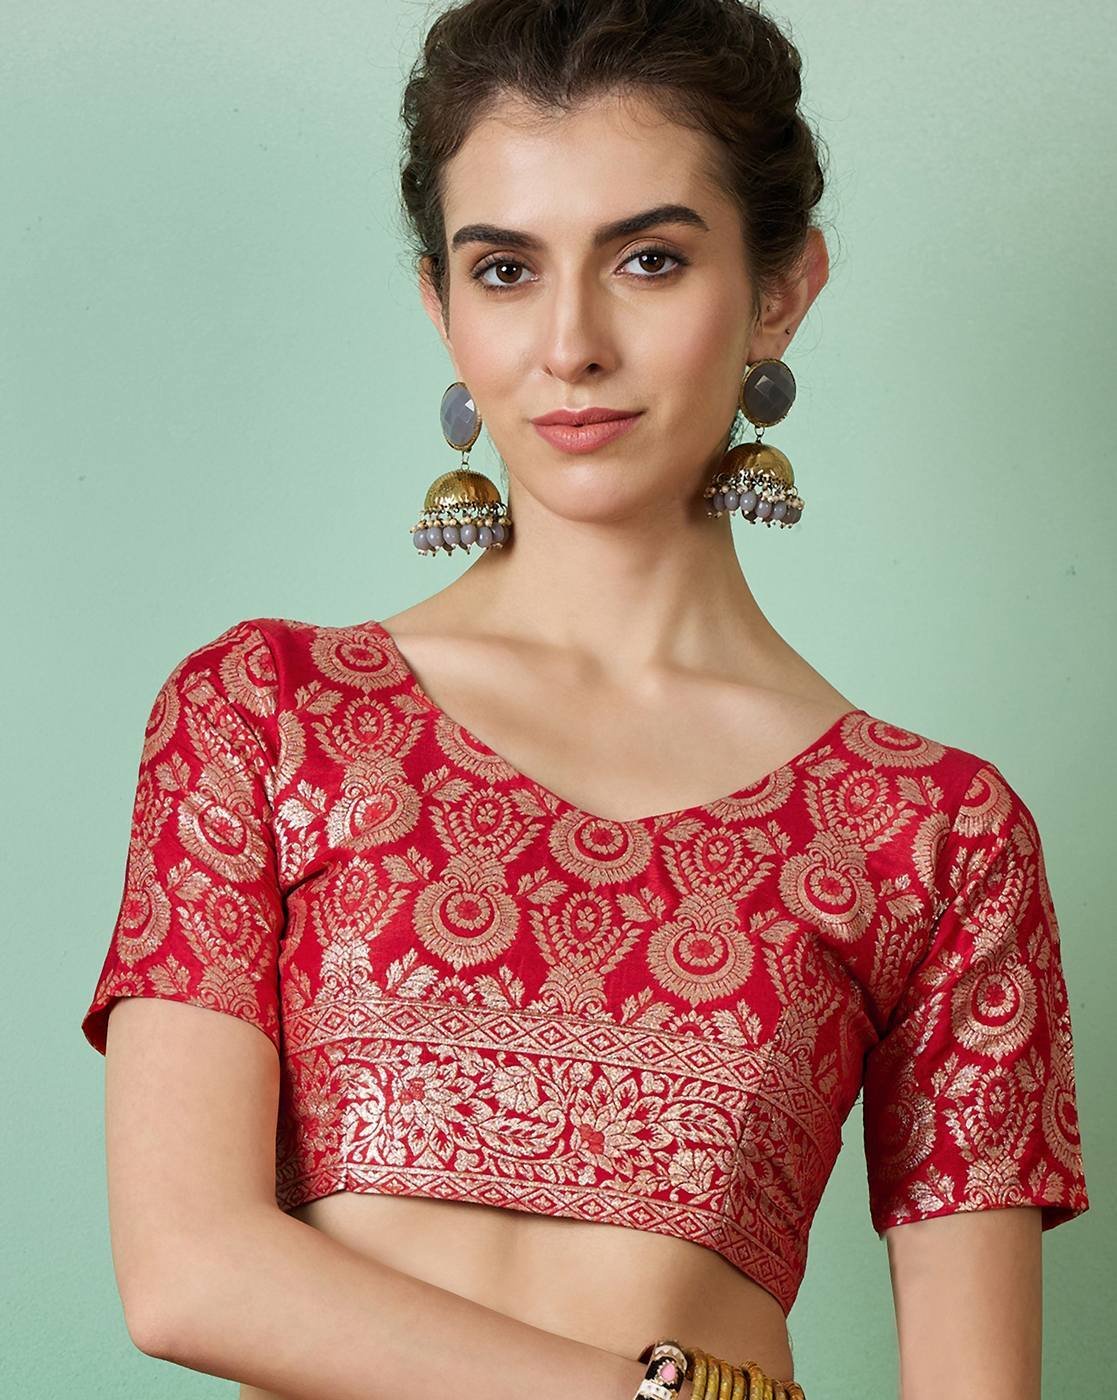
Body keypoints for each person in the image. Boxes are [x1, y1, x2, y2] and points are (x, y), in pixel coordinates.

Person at [80, 3, 1090, 1398]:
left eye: (649, 261)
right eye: (505, 269)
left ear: (781, 289)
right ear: (440, 306)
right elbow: (188, 1272)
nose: (570, 343)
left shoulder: (934, 832)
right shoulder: (264, 713)